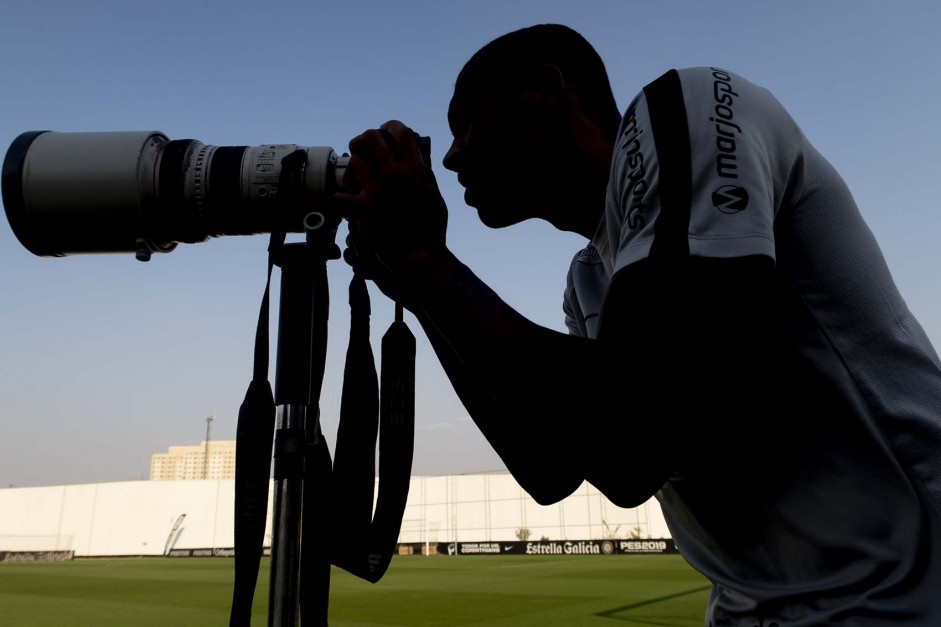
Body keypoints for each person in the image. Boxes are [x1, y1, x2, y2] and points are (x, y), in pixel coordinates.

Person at [333, 23, 941, 626]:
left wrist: (425, 261)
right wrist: (418, 287)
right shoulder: (590, 279)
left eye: (468, 121)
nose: (452, 153)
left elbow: (640, 435)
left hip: (908, 595)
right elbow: (549, 466)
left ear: (545, 91)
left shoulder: (687, 104)